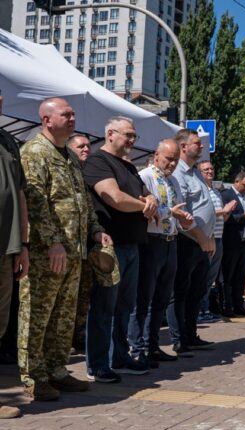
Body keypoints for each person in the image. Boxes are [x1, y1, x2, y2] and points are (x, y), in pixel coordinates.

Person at [19, 98, 111, 400]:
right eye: (65, 114)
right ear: (47, 119)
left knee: (64, 316)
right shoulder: (35, 153)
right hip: (48, 253)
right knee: (38, 315)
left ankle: (57, 370)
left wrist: (96, 232)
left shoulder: (69, 157)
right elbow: (34, 202)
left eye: (73, 114)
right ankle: (34, 376)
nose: (73, 118)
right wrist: (52, 242)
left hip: (74, 252)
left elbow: (81, 201)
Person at [83, 115, 153, 381]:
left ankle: (119, 356)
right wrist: (144, 205)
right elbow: (113, 197)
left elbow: (146, 194)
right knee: (104, 307)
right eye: (129, 135)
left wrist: (147, 200)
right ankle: (98, 364)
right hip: (109, 248)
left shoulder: (129, 166)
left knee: (125, 306)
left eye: (135, 136)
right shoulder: (97, 162)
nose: (133, 141)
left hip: (133, 244)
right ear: (110, 134)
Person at [131, 139, 193, 367]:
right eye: (168, 159)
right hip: (151, 241)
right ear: (156, 155)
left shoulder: (174, 181)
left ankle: (153, 345)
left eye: (176, 159)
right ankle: (137, 348)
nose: (172, 164)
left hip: (171, 240)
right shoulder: (145, 177)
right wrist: (172, 214)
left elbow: (179, 212)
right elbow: (147, 210)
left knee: (162, 298)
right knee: (144, 297)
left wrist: (185, 221)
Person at [168, 129, 217, 355]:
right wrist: (202, 237)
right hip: (187, 241)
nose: (201, 146)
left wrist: (210, 238)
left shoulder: (195, 172)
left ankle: (191, 334)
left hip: (202, 242)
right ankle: (179, 339)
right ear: (183, 147)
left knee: (197, 291)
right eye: (196, 143)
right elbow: (183, 214)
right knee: (181, 292)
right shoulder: (178, 173)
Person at [0, 92, 26, 417]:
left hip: (7, 247)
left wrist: (24, 245)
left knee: (1, 321)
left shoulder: (9, 141)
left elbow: (19, 192)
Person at [198, 160, 237, 321]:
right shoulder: (200, 190)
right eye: (206, 169)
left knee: (211, 278)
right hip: (208, 239)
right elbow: (206, 213)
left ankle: (205, 309)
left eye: (211, 168)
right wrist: (224, 210)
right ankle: (200, 311)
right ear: (199, 173)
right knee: (203, 277)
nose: (210, 171)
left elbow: (219, 217)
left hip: (218, 238)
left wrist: (227, 213)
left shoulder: (216, 191)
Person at [65, 134, 93, 353]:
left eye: (88, 146)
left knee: (82, 297)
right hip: (64, 248)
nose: (86, 149)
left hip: (84, 248)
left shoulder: (84, 174)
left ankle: (78, 336)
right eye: (80, 146)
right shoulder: (66, 171)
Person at [220, 171, 245, 317]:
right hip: (231, 241)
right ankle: (227, 307)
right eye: (244, 185)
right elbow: (224, 218)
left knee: (241, 277)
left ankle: (238, 306)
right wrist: (243, 217)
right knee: (228, 276)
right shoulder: (226, 195)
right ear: (237, 181)